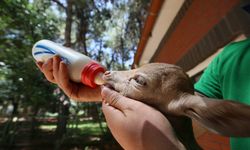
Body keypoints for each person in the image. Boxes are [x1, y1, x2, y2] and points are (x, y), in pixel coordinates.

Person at [37, 38, 250, 150]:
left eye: (138, 79)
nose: (112, 73)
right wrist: (95, 91)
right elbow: (176, 103)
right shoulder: (233, 57)